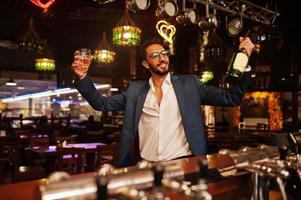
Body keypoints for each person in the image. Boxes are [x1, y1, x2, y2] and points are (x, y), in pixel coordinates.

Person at [71, 37, 255, 167]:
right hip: (146, 166)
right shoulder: (136, 90)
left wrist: (244, 59)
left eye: (164, 53)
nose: (162, 58)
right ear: (145, 64)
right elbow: (101, 104)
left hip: (183, 163)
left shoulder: (189, 84)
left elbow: (232, 98)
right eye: (155, 55)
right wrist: (83, 77)